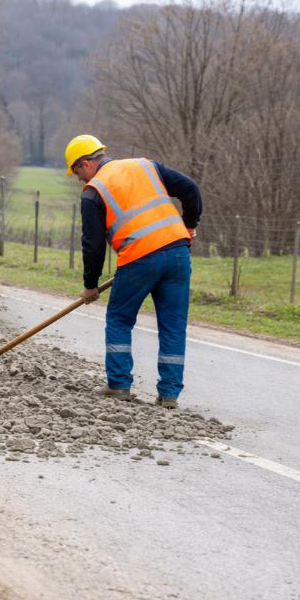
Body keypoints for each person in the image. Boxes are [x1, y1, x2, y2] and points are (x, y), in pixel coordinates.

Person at [64, 134, 202, 408]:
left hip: (139, 258)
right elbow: (191, 189)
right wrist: (188, 226)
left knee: (119, 319)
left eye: (77, 172)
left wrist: (90, 284)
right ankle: (169, 395)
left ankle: (119, 385)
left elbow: (92, 245)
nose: (79, 179)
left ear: (86, 163)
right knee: (173, 326)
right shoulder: (146, 165)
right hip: (178, 253)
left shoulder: (93, 191)